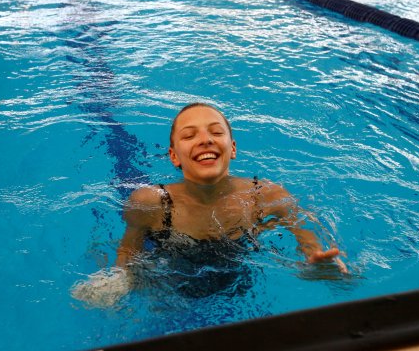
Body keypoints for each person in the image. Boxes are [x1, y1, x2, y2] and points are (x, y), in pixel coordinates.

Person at [72, 103, 345, 307]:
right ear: (174, 156)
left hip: (239, 280)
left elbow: (308, 238)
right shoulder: (149, 202)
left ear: (233, 148)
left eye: (216, 132)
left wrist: (315, 264)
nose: (205, 139)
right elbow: (130, 247)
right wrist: (120, 280)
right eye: (189, 136)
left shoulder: (267, 196)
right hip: (170, 276)